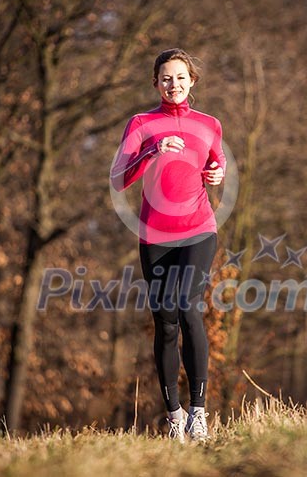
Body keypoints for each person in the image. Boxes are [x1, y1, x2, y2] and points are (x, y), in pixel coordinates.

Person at [110, 48, 226, 442]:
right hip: (155, 235)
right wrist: (151, 150)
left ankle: (198, 411)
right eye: (165, 78)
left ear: (192, 81)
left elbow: (215, 163)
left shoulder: (210, 124)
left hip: (199, 228)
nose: (172, 84)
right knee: (165, 321)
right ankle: (174, 415)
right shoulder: (141, 124)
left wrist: (216, 173)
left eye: (180, 77)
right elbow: (119, 179)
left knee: (190, 308)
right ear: (155, 83)